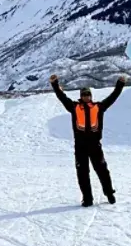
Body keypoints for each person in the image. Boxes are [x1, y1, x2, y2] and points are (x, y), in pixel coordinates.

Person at [50, 75, 126, 207]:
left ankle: (109, 193)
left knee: (102, 170)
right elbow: (62, 97)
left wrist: (120, 84)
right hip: (80, 147)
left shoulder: (99, 107)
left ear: (91, 96)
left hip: (95, 146)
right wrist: (55, 84)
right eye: (84, 94)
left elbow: (113, 97)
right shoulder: (74, 107)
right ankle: (87, 198)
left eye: (88, 94)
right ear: (81, 96)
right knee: (82, 173)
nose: (86, 97)